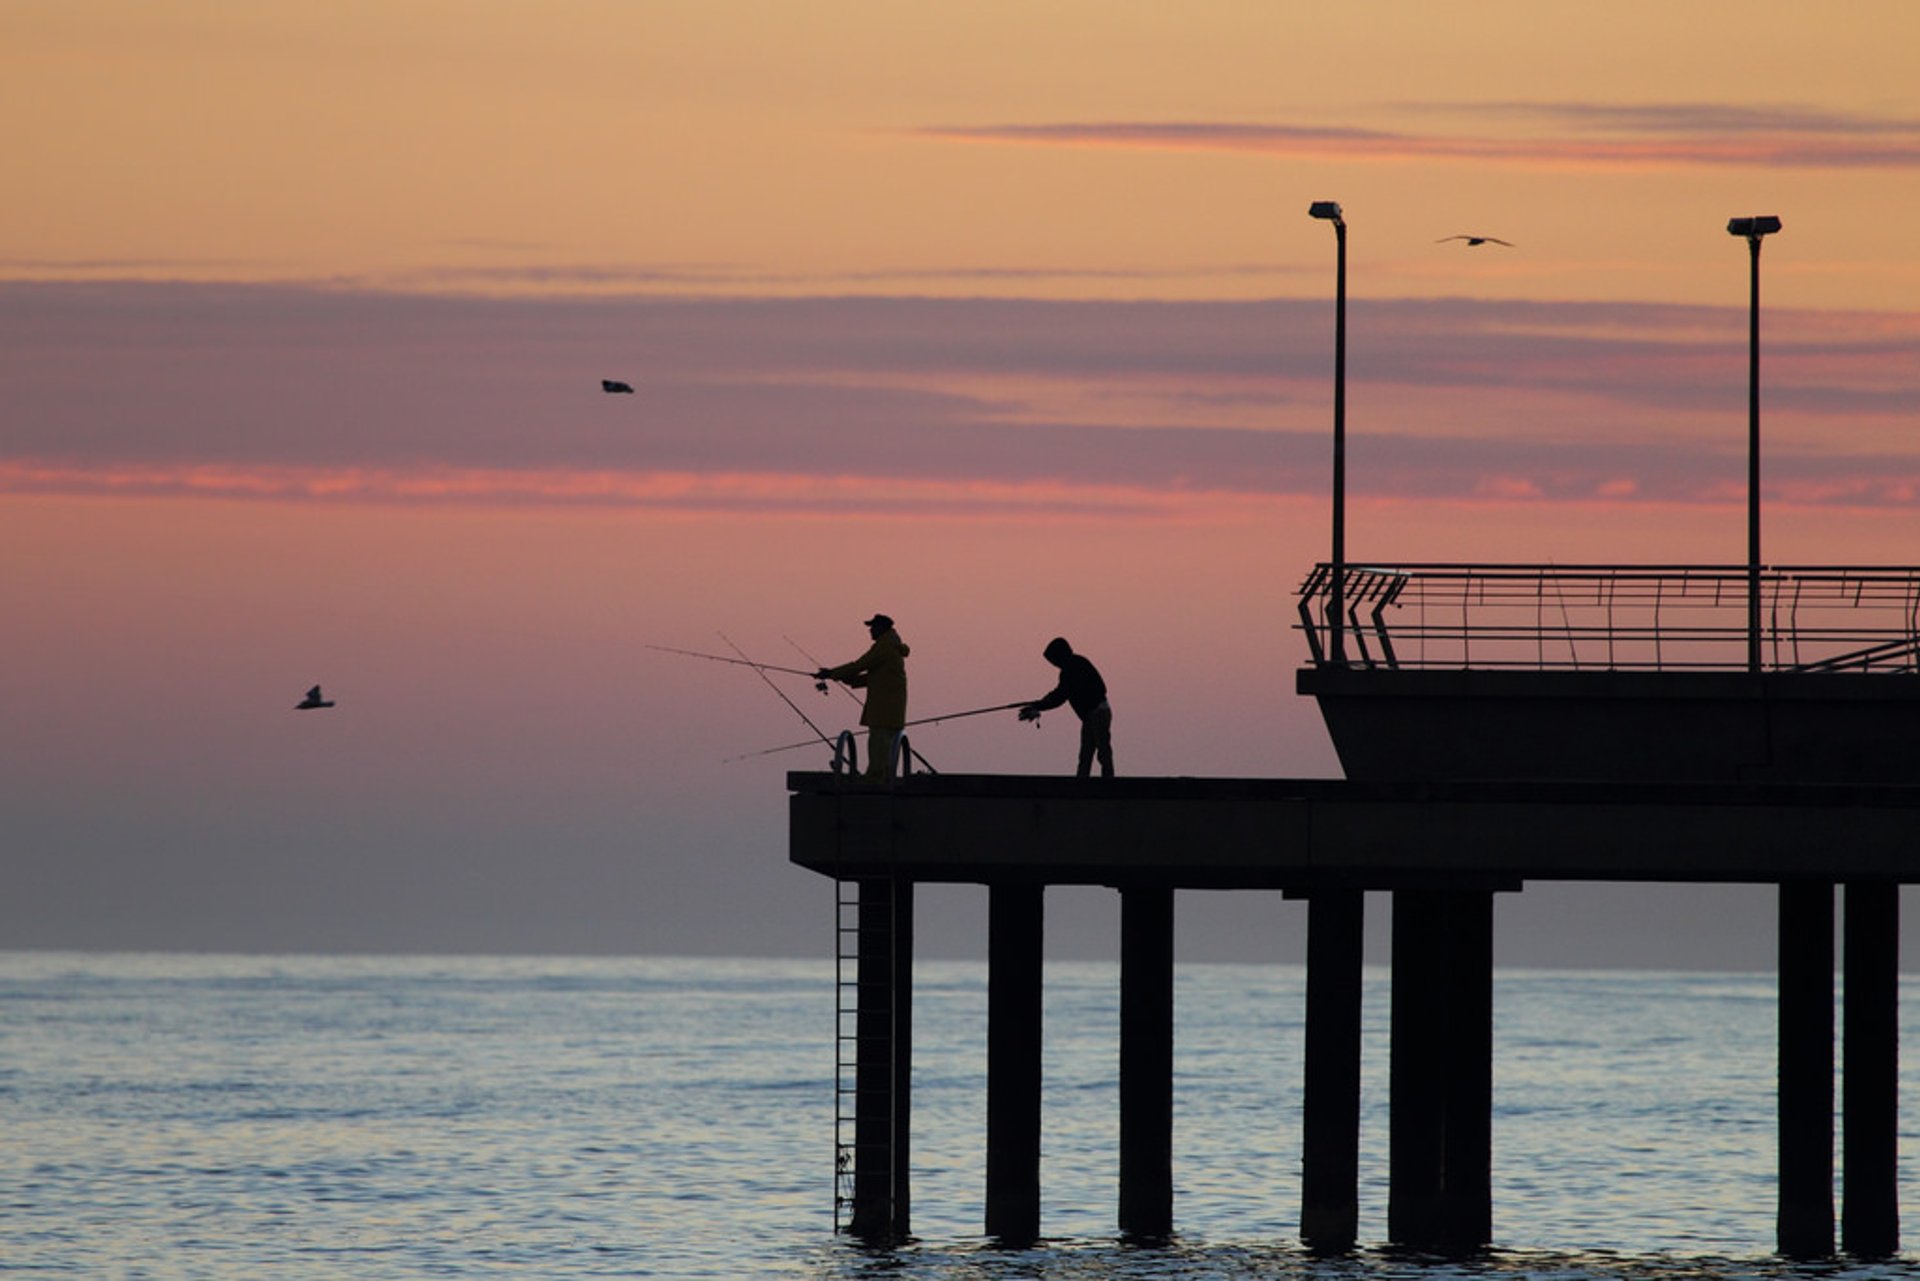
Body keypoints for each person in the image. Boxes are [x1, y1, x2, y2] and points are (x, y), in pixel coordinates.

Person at [816, 614, 910, 780]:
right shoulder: (892, 647)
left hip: (883, 707)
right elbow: (876, 677)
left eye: (873, 627)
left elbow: (859, 665)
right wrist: (847, 678)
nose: (870, 631)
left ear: (881, 629)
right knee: (886, 746)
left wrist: (831, 673)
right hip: (892, 707)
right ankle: (883, 778)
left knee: (879, 744)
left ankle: (874, 779)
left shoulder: (884, 647)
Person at [1019, 637, 1113, 777]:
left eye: (1053, 660)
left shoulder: (1073, 668)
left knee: (1102, 751)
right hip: (1091, 715)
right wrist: (1038, 705)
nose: (1053, 664)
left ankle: (1109, 784)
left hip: (1098, 711)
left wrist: (1038, 705)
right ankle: (1082, 784)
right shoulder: (1076, 664)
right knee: (1086, 754)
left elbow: (1060, 696)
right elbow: (1060, 694)